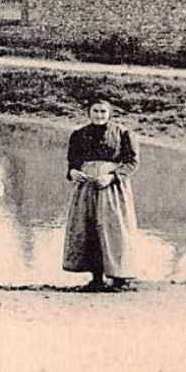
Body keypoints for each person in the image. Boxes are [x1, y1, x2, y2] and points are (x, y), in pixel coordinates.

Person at [63, 98, 139, 292]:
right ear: (89, 113)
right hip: (87, 187)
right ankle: (96, 278)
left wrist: (112, 176)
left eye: (103, 112)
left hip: (112, 187)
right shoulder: (79, 135)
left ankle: (120, 278)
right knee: (89, 227)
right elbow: (73, 161)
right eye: (95, 111)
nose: (99, 115)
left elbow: (131, 163)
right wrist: (73, 172)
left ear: (109, 113)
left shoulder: (123, 134)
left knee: (114, 228)